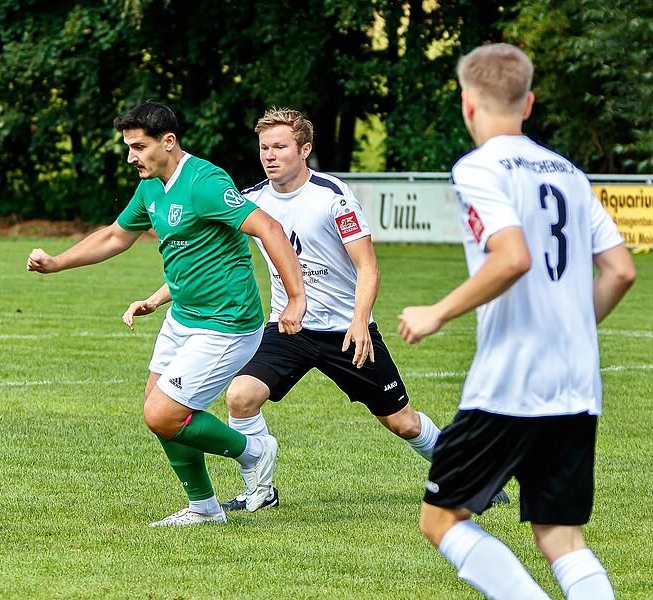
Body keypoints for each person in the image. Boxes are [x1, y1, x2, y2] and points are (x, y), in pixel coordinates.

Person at [125, 108, 507, 512]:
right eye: (264, 148)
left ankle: (469, 473)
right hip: (288, 328)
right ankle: (260, 492)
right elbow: (206, 257)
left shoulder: (332, 196)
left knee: (403, 422)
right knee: (241, 396)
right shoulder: (251, 199)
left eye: (280, 147)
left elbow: (368, 266)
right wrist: (158, 297)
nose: (270, 156)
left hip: (345, 331)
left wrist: (360, 322)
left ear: (304, 149)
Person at [398, 44, 636, 599]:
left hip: (511, 380)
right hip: (576, 382)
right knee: (560, 534)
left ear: (467, 104)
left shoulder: (478, 168)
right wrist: (572, 326)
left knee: (441, 519)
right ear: (528, 103)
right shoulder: (569, 173)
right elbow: (621, 270)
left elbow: (512, 257)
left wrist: (436, 312)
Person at [27, 101, 307, 527]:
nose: (131, 157)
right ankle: (204, 509)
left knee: (164, 413)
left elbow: (268, 228)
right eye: (128, 147)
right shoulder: (151, 187)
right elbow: (116, 236)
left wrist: (295, 298)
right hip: (184, 317)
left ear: (169, 142)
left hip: (226, 322)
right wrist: (56, 263)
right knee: (158, 412)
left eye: (139, 147)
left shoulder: (204, 182)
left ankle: (254, 450)